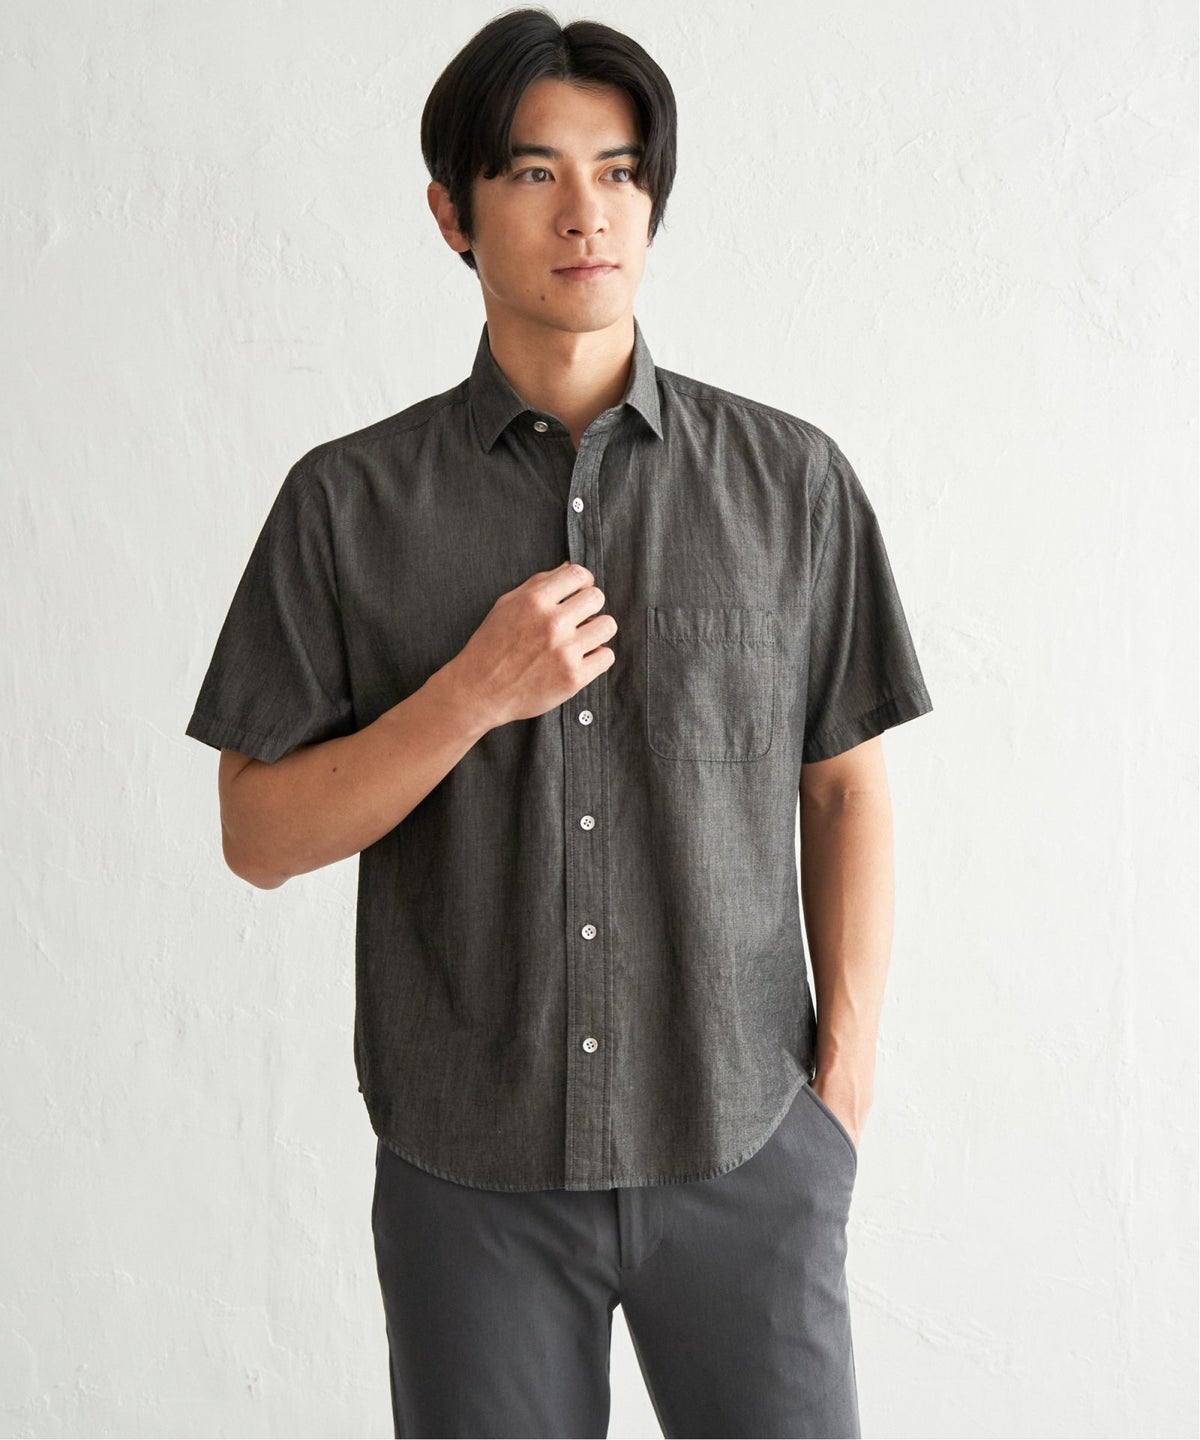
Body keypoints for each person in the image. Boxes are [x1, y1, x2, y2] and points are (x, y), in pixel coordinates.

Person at [184, 8, 934, 1437]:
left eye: (621, 170)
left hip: (746, 1148)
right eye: (534, 173)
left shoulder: (789, 485)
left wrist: (836, 1101)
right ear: (451, 215)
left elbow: (843, 791)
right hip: (469, 1175)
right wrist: (471, 693)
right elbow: (257, 834)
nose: (587, 211)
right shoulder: (347, 504)